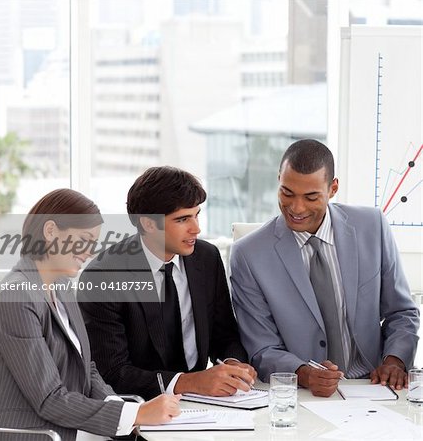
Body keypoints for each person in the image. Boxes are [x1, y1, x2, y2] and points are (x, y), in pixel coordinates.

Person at [0, 188, 181, 441]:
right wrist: (136, 414)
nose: (89, 252)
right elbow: (49, 399)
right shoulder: (16, 299)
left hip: (70, 429)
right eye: (84, 239)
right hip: (37, 434)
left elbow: (88, 368)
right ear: (50, 230)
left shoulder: (61, 287)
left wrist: (126, 411)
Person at [230, 139, 420, 398]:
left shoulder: (372, 227)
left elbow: (402, 312)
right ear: (278, 180)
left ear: (333, 188)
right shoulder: (248, 254)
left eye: (311, 197)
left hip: (374, 385)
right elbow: (262, 348)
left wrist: (395, 360)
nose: (296, 208)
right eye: (287, 193)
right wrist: (303, 373)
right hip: (303, 391)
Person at [78, 166, 257, 400]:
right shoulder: (103, 277)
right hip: (141, 406)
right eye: (182, 219)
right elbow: (112, 373)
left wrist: (233, 365)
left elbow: (224, 335)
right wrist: (190, 382)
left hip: (207, 403)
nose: (196, 228)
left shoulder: (207, 257)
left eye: (196, 215)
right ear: (148, 224)